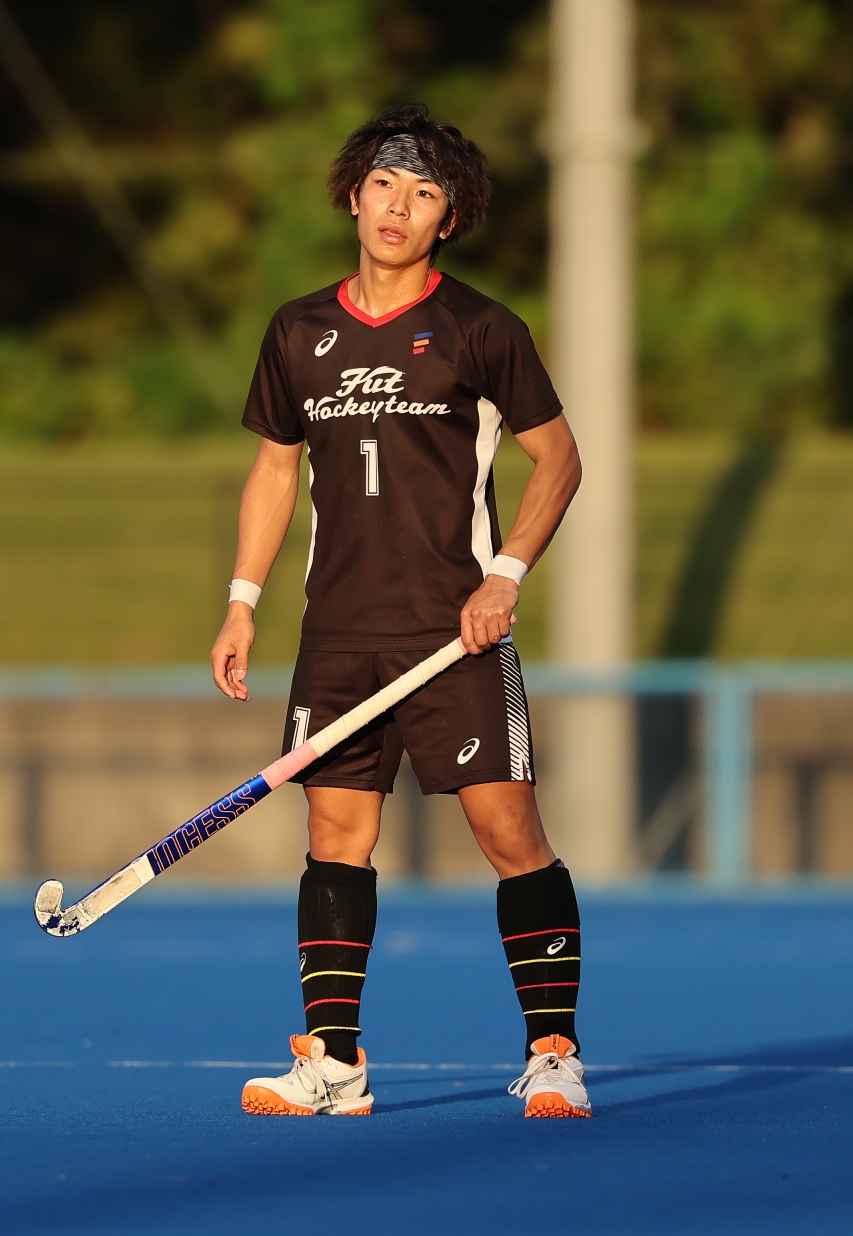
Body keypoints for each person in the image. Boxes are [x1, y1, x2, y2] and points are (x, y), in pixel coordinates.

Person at [210, 104, 587, 1119]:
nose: (398, 206)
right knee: (335, 834)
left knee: (508, 829)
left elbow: (559, 458)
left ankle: (553, 1052)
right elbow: (274, 471)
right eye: (384, 184)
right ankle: (334, 1062)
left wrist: (506, 574)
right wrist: (242, 602)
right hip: (338, 634)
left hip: (454, 632)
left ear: (447, 220)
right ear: (353, 194)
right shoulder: (298, 330)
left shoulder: (482, 329)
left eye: (423, 194)